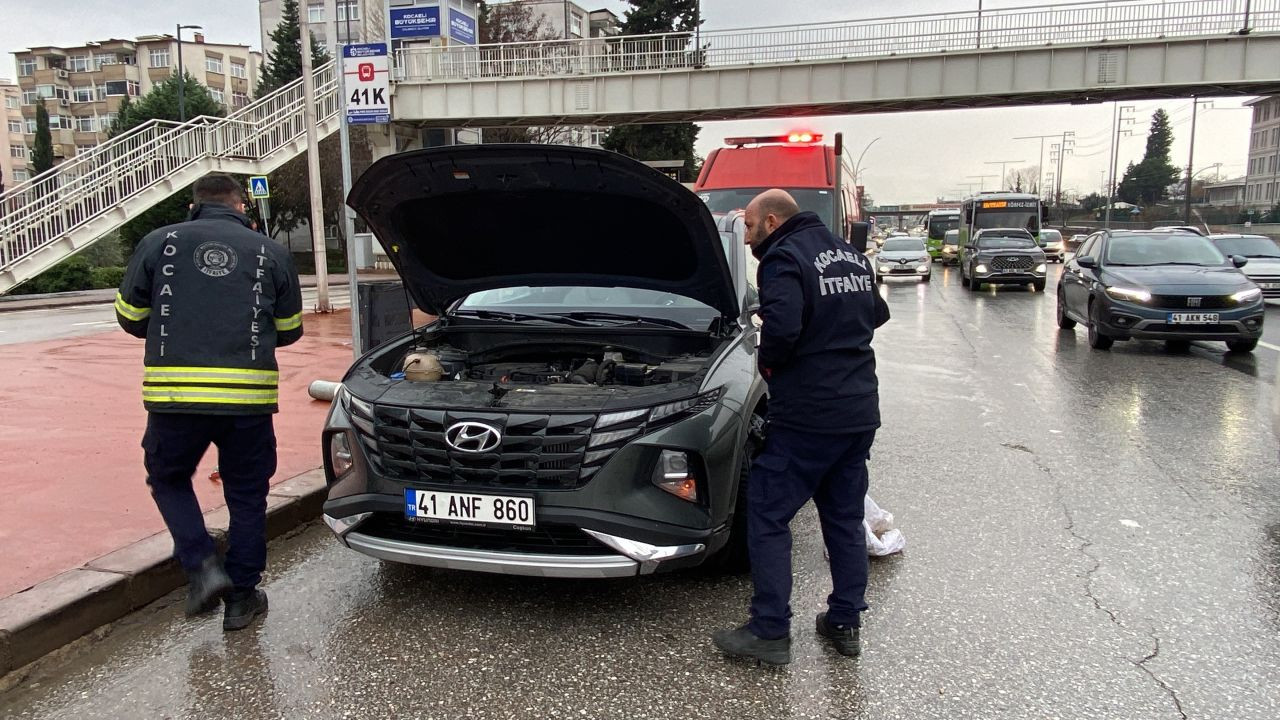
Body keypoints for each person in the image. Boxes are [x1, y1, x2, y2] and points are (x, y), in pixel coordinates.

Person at [115, 173, 303, 631]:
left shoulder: (160, 242)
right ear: (242, 206)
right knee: (246, 493)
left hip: (175, 398)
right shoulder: (271, 252)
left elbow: (130, 316)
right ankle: (241, 599)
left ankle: (202, 566)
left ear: (193, 206)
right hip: (248, 400)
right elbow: (292, 327)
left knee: (169, 477)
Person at [712, 189, 890, 666]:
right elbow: (878, 313)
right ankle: (844, 623)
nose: (747, 237)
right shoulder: (850, 255)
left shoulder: (783, 258)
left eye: (749, 227)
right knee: (843, 517)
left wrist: (770, 368)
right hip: (857, 411)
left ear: (771, 221)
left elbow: (783, 331)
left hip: (808, 415)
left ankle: (769, 630)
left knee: (768, 515)